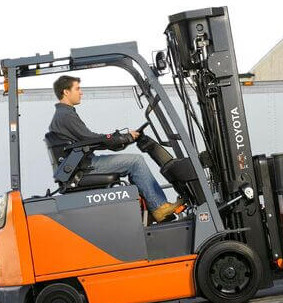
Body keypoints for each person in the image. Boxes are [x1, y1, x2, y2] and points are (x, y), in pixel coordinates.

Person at [48, 75, 182, 222]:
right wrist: (123, 138)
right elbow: (91, 139)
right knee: (136, 162)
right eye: (77, 88)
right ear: (66, 92)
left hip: (82, 163)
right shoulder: (65, 115)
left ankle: (150, 209)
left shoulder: (64, 114)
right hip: (84, 167)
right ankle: (159, 207)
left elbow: (91, 141)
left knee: (133, 161)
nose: (81, 92)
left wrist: (121, 139)